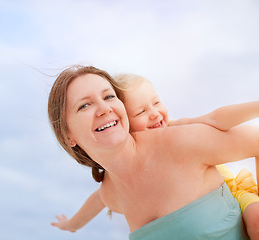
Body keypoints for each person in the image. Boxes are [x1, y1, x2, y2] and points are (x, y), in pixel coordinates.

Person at [48, 65, 259, 239]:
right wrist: (71, 224)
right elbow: (95, 203)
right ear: (68, 136)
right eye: (84, 105)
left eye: (109, 96)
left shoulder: (181, 142)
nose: (104, 108)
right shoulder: (110, 193)